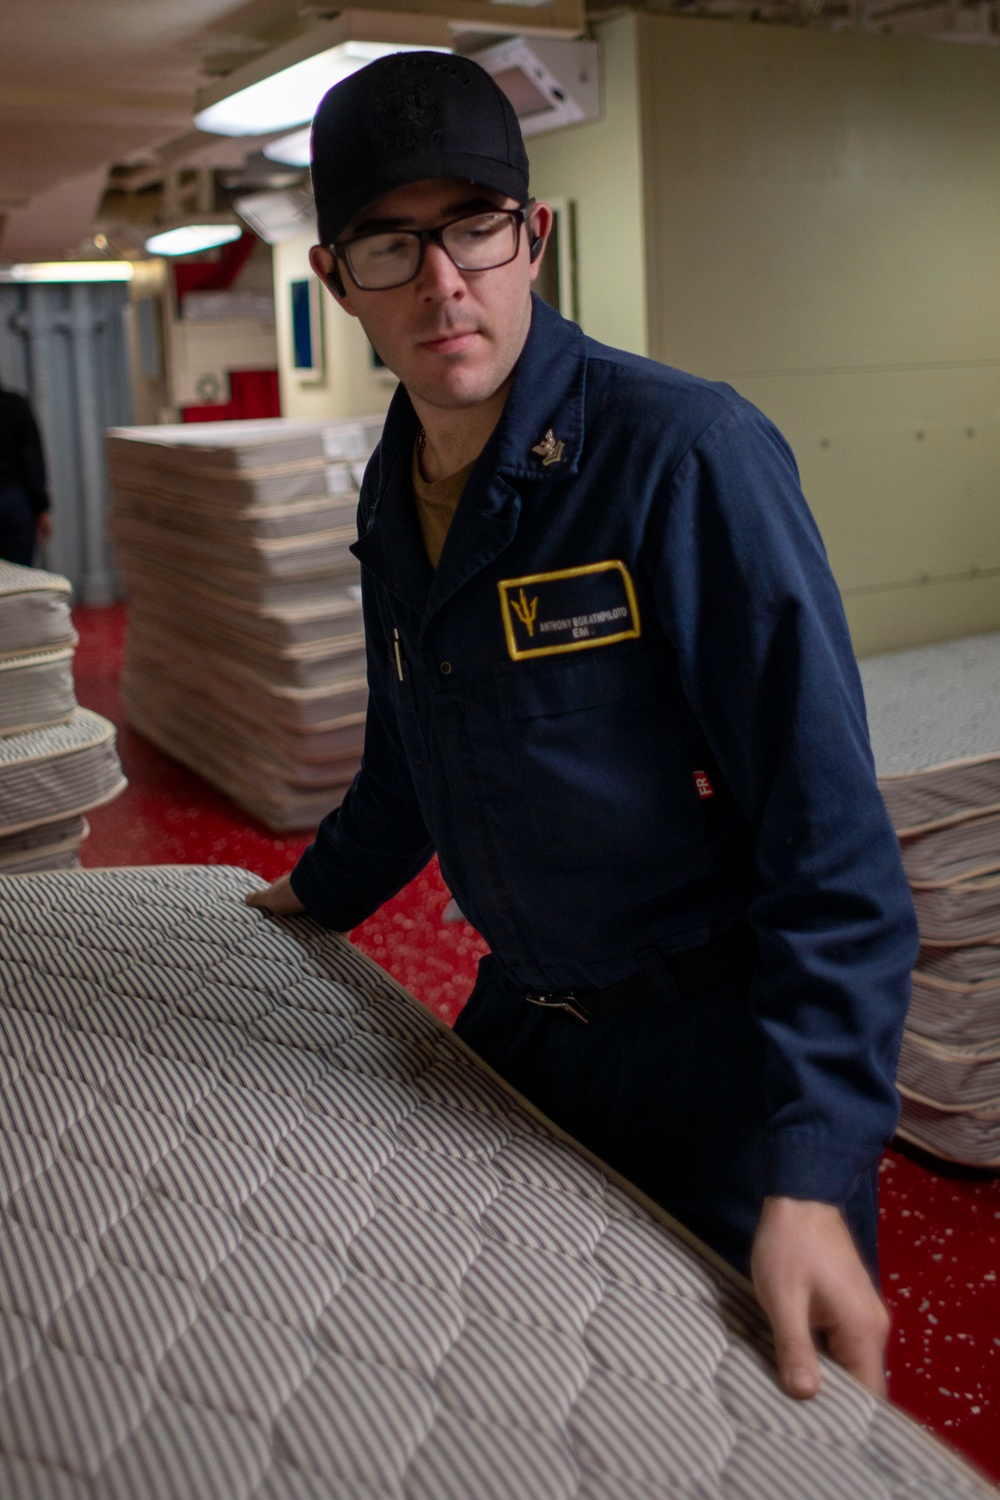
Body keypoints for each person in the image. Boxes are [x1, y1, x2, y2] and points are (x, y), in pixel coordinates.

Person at [248, 51, 918, 1402]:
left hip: (715, 1058)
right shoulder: (398, 490)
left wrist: (813, 1166)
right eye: (391, 245)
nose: (444, 283)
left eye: (475, 230)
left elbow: (828, 835)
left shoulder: (685, 458)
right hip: (526, 1025)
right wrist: (304, 901)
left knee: (749, 1419)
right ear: (336, 279)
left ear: (532, 236)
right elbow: (412, 759)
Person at [0, 379, 52, 565]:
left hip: (15, 499)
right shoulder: (15, 405)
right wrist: (41, 508)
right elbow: (32, 460)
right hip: (15, 500)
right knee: (19, 577)